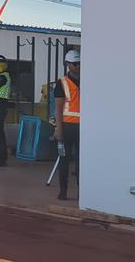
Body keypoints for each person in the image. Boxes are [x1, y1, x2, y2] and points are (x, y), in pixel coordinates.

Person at [54, 49, 81, 200]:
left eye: (79, 63)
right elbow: (57, 109)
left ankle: (80, 192)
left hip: (83, 128)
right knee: (64, 160)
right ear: (68, 64)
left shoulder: (88, 80)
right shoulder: (62, 83)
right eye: (75, 64)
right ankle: (63, 190)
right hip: (66, 127)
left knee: (81, 162)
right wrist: (58, 129)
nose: (78, 66)